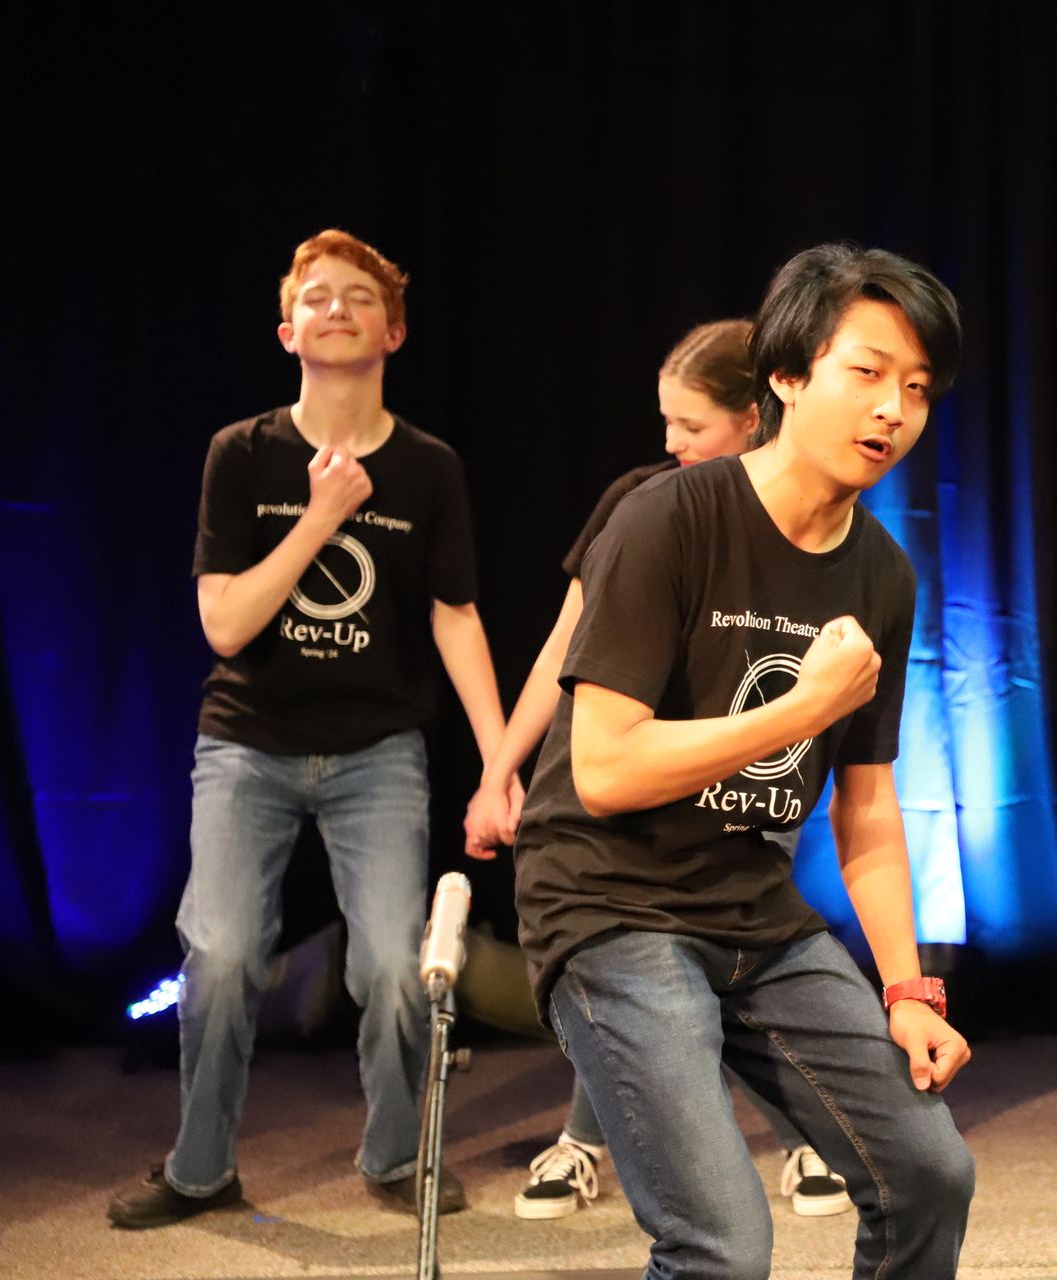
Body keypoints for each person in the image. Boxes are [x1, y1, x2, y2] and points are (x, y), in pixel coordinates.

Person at [511, 243, 975, 1279]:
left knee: (929, 1173)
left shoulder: (882, 573)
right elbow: (608, 770)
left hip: (750, 908)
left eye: (917, 387)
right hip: (610, 903)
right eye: (866, 372)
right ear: (786, 374)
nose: (893, 409)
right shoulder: (670, 518)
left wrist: (909, 987)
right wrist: (797, 710)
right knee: (723, 1240)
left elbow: (867, 806)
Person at [108, 230, 509, 1228]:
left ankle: (393, 1155)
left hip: (379, 751)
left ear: (394, 331)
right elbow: (226, 622)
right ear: (288, 329)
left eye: (359, 298)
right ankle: (200, 1167)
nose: (337, 308)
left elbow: (455, 615)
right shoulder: (242, 455)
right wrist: (320, 513)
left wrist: (500, 762)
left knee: (391, 964)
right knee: (225, 955)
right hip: (248, 741)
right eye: (317, 297)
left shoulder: (428, 468)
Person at [462, 319, 849, 1220]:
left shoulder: (814, 521)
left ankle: (801, 1141)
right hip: (643, 776)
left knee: (731, 950)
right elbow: (567, 642)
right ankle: (587, 1140)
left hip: (752, 776)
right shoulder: (642, 503)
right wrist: (500, 768)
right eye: (664, 422)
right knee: (640, 949)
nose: (669, 443)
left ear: (755, 417)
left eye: (689, 424)